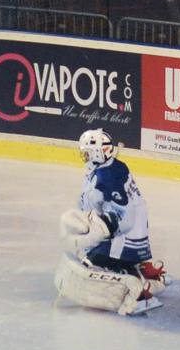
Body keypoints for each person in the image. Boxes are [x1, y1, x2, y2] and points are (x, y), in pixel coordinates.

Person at [54, 128, 170, 315]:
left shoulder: (107, 177)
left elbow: (125, 216)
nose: (84, 156)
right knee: (93, 256)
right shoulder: (109, 168)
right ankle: (140, 270)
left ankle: (140, 292)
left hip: (125, 236)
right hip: (127, 233)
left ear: (98, 152)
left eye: (87, 152)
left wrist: (96, 233)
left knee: (92, 264)